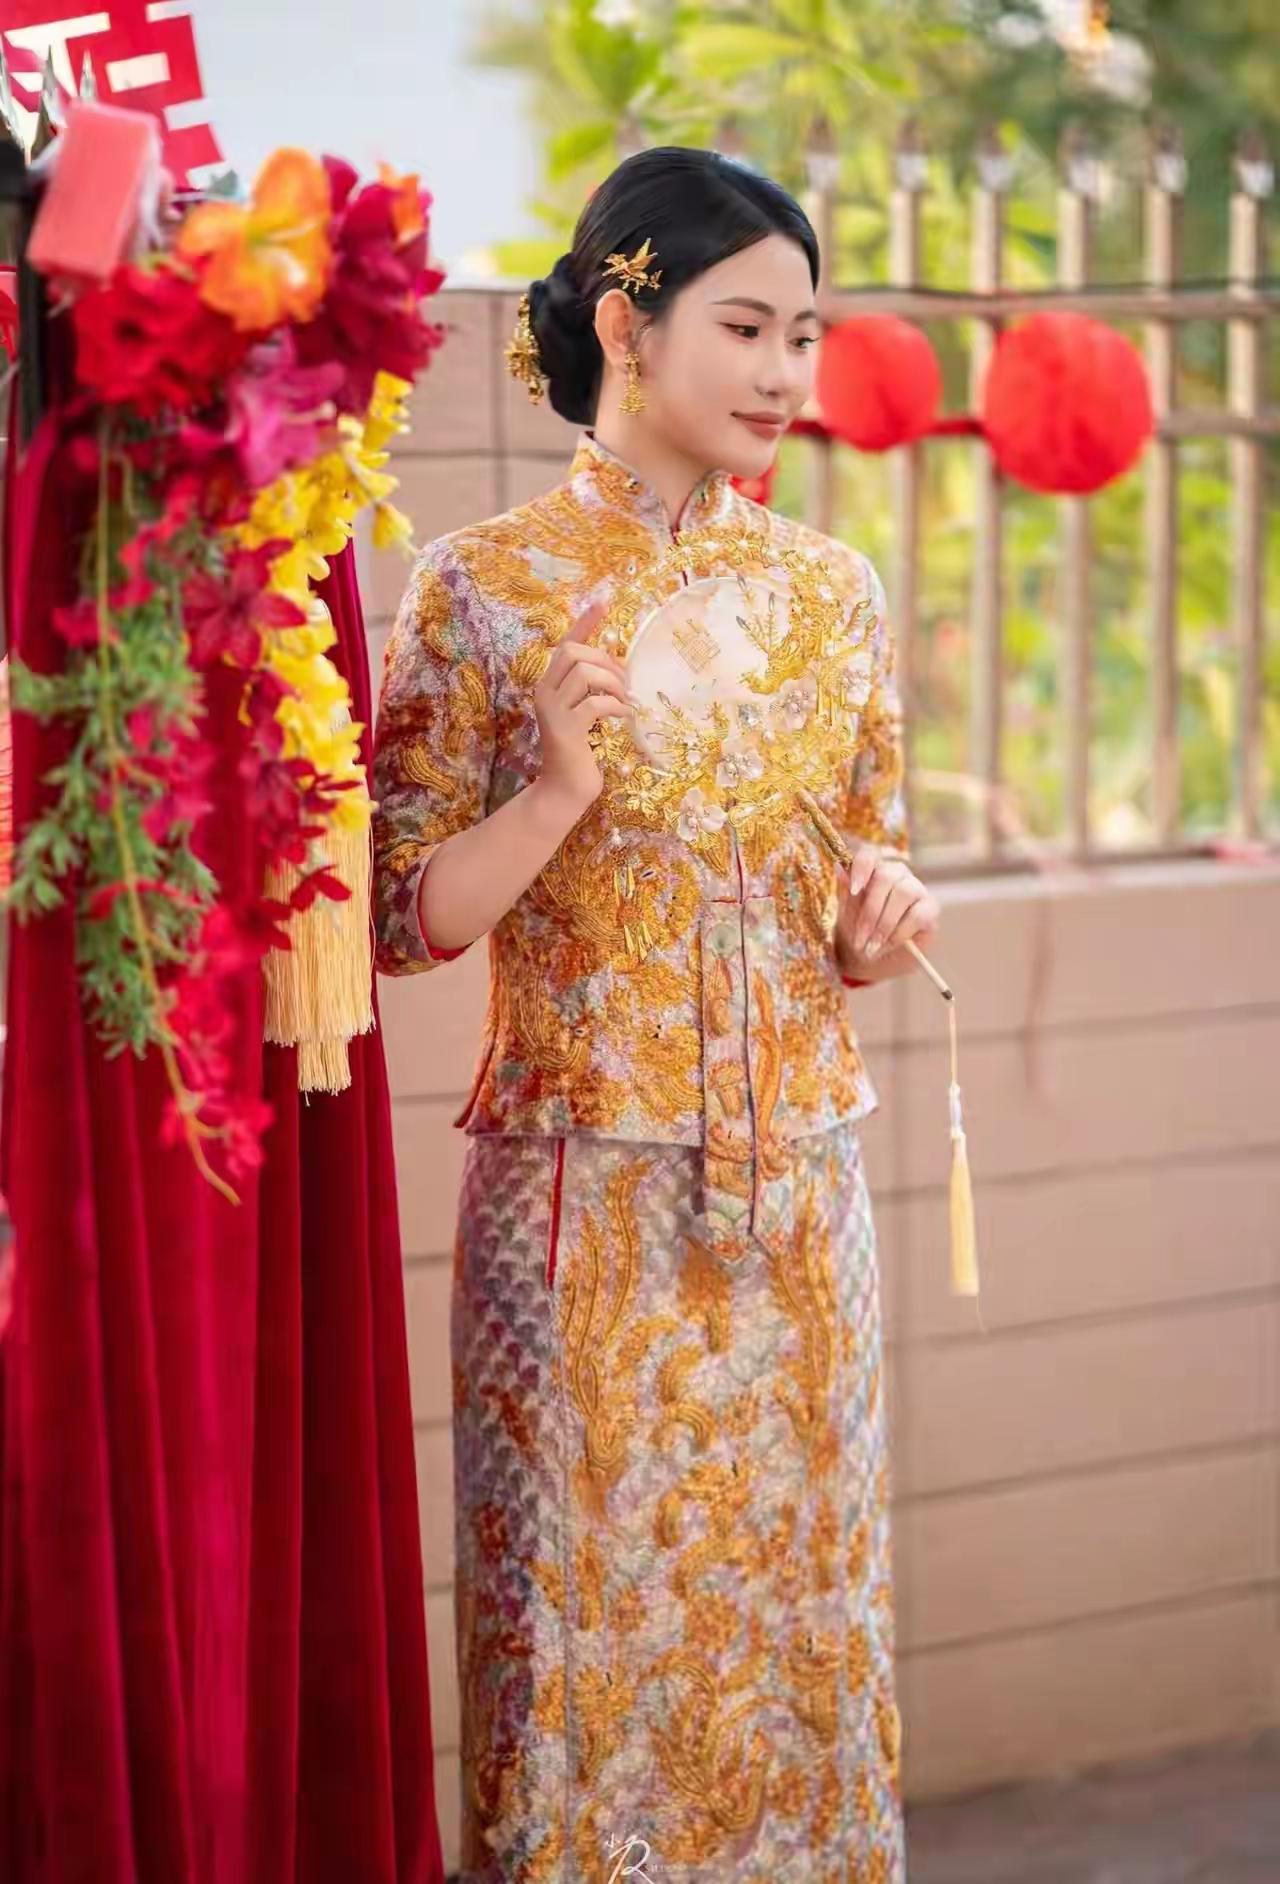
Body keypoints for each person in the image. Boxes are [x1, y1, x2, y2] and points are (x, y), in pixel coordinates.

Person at [372, 144, 938, 1883]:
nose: (786, 374)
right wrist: (554, 793)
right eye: (747, 328)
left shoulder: (833, 596)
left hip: (802, 1204)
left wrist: (875, 929)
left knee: (804, 1628)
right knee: (576, 1653)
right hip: (581, 1204)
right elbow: (400, 921)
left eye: (805, 335)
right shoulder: (479, 586)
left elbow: (858, 879)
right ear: (627, 323)